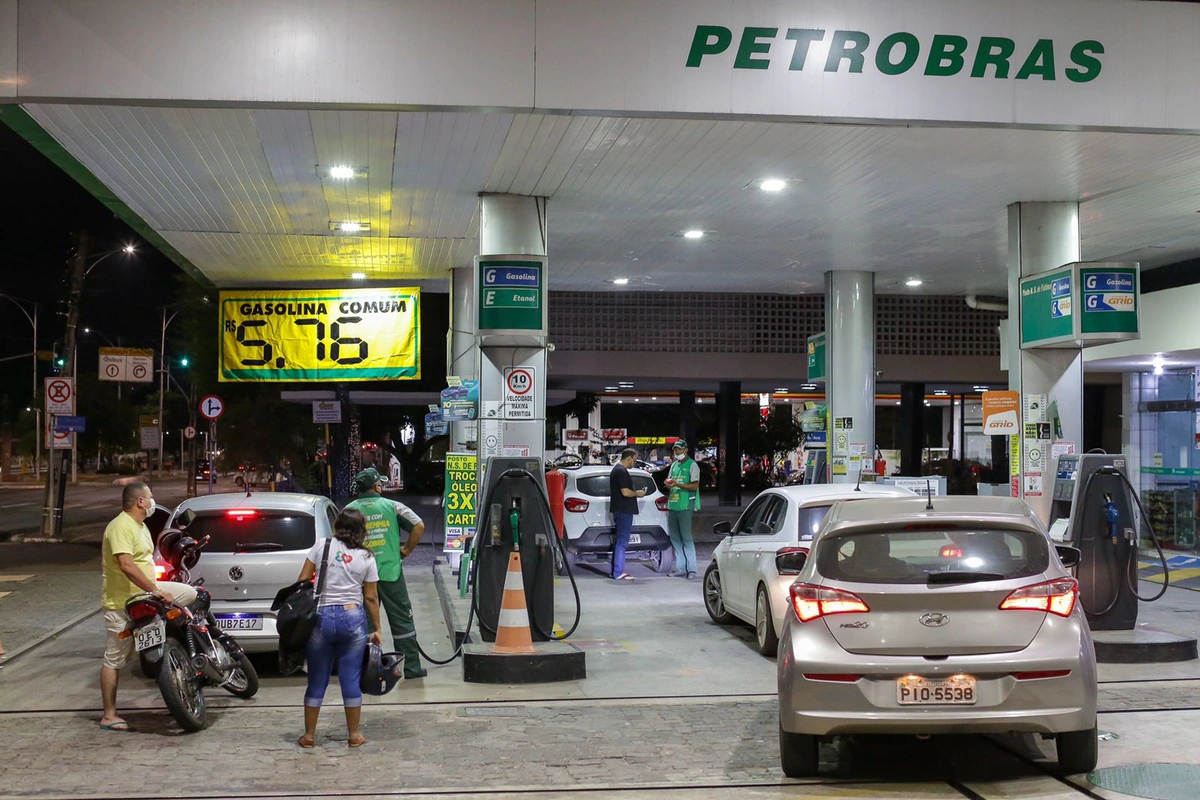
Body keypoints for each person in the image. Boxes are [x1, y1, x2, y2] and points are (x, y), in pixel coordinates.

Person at [99, 481, 198, 732]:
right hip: (124, 604)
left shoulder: (140, 526)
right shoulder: (120, 526)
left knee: (191, 594)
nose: (153, 502)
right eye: (150, 498)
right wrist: (155, 590)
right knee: (115, 658)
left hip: (150, 595)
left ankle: (183, 649)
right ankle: (109, 715)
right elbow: (126, 565)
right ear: (140, 502)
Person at [295, 508, 382, 748]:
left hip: (321, 617)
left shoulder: (322, 546)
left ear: (337, 527)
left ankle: (309, 736)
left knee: (317, 679)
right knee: (350, 678)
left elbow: (302, 581)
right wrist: (377, 628)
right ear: (361, 532)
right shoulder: (367, 557)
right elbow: (371, 598)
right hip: (352, 617)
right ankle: (354, 735)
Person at [344, 467, 428, 678]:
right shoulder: (392, 506)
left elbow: (339, 540)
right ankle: (411, 669)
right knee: (402, 622)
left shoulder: (349, 510)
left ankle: (369, 670)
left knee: (365, 624)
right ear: (377, 486)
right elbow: (419, 525)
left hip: (361, 578)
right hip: (391, 573)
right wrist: (407, 550)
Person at [664, 440, 701, 580]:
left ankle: (691, 569)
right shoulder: (673, 465)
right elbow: (669, 481)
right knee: (675, 538)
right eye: (675, 450)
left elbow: (694, 486)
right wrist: (668, 484)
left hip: (686, 505)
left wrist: (677, 484)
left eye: (679, 449)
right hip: (673, 505)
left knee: (686, 538)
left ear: (685, 449)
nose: (677, 452)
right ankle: (681, 568)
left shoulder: (692, 465)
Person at [609, 448, 645, 582]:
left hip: (620, 510)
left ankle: (615, 571)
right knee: (622, 542)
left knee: (620, 541)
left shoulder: (616, 470)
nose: (634, 463)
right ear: (628, 458)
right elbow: (625, 492)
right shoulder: (621, 472)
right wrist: (638, 493)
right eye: (634, 460)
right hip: (624, 510)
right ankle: (618, 572)